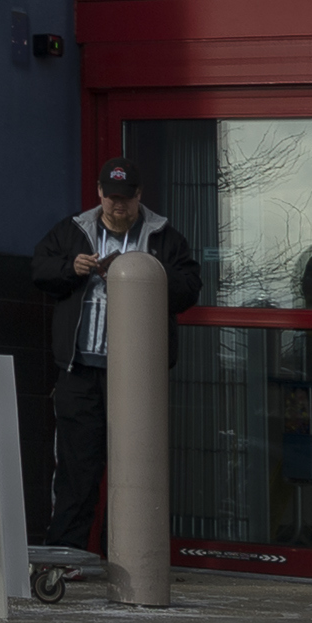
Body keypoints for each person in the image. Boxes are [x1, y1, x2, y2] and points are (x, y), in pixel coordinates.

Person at [24, 160, 200, 550]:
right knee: (75, 468)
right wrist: (71, 267)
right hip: (81, 369)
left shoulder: (163, 236)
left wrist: (145, 271)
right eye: (111, 197)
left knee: (135, 469)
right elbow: (39, 269)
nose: (117, 206)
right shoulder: (73, 231)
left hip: (139, 374)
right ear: (100, 193)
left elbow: (189, 288)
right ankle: (66, 553)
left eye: (126, 199)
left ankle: (123, 554)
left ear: (139, 196)